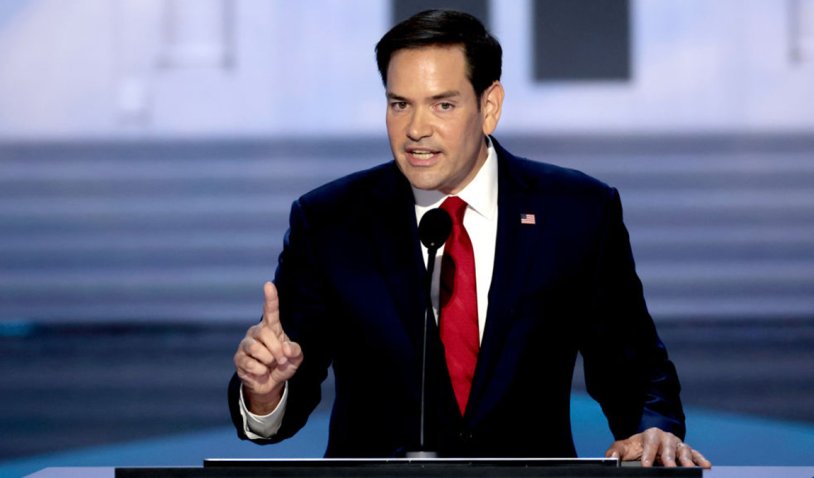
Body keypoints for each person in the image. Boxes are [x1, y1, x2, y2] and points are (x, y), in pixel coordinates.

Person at [228, 9, 711, 468]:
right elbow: (284, 398)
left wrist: (652, 428)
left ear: (489, 106)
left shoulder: (577, 211)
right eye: (400, 104)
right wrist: (266, 393)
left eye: (443, 104)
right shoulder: (331, 221)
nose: (416, 129)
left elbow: (632, 366)